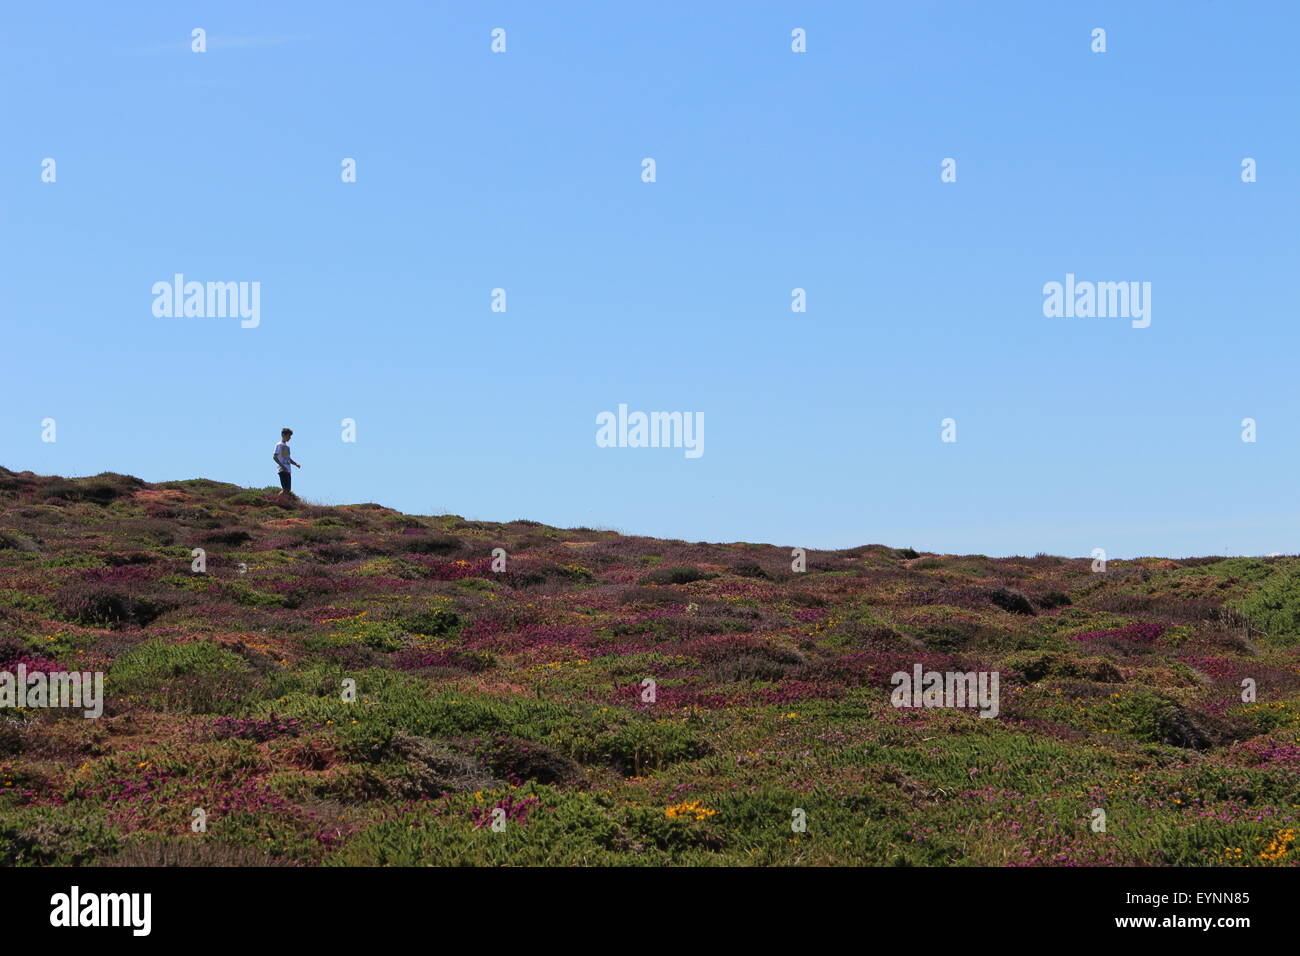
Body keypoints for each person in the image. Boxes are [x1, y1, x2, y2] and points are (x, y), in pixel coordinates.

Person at [273, 428, 301, 498]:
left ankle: (282, 502)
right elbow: (274, 457)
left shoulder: (287, 446)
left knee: (288, 490)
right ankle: (276, 501)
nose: (290, 438)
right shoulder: (279, 445)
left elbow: (288, 458)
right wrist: (282, 466)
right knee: (286, 489)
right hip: (282, 470)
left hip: (288, 470)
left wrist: (296, 464)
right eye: (288, 436)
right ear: (283, 435)